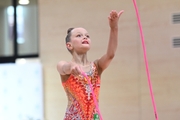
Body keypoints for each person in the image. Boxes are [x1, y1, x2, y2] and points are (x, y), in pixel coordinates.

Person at [57, 10, 124, 120]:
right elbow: (63, 68)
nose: (84, 37)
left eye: (87, 36)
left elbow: (110, 55)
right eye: (79, 36)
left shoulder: (97, 67)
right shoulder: (65, 65)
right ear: (69, 45)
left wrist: (114, 28)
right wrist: (71, 67)